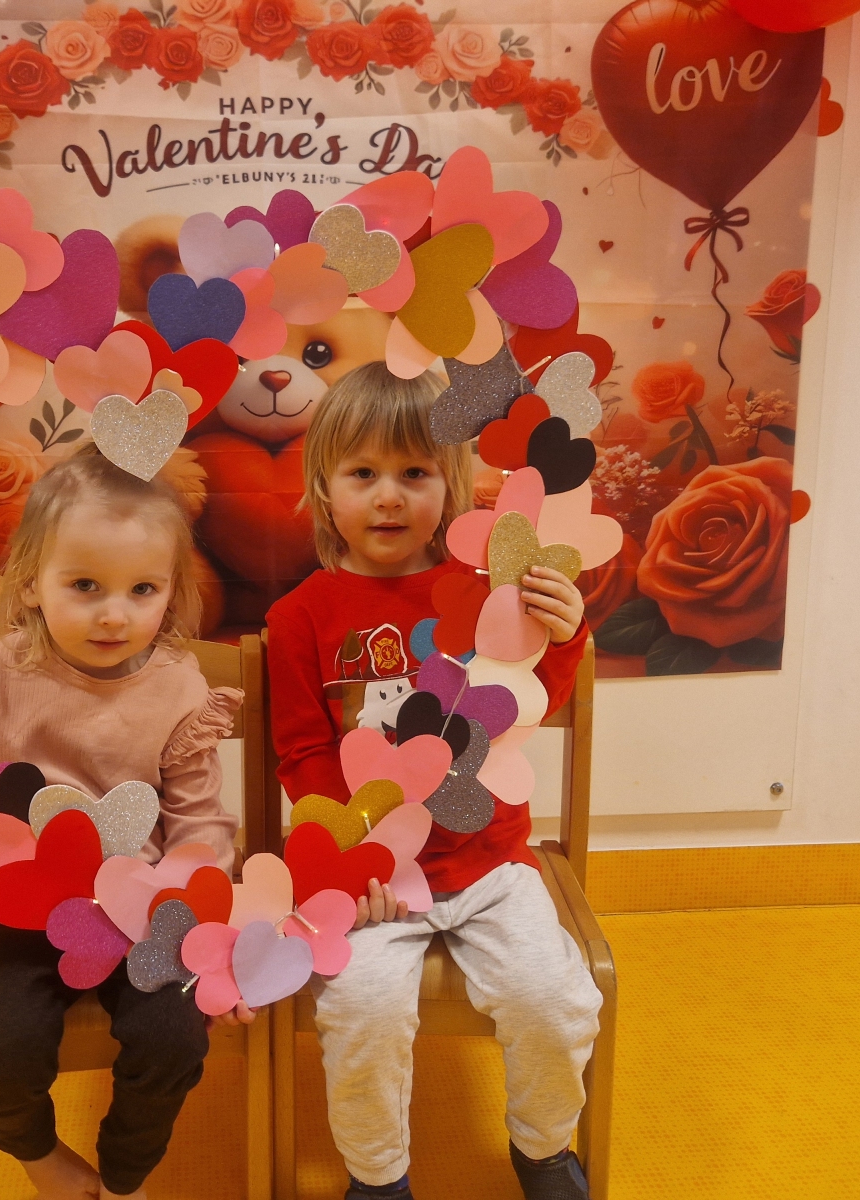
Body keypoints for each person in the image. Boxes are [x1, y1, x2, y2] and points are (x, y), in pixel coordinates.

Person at [266, 363, 603, 1200]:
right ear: (324, 488)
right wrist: (358, 857)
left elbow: (529, 701)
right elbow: (302, 756)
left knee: (555, 1001)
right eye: (363, 473)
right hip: (373, 881)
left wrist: (562, 635)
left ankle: (542, 1151)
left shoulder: (485, 592)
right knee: (363, 1014)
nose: (388, 497)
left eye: (414, 473)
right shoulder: (299, 616)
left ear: (450, 484)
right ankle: (378, 1179)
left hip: (492, 866)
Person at [0, 446, 251, 1200]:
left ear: (172, 590)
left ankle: (125, 1177)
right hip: (21, 913)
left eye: (143, 589)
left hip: (143, 914)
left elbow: (199, 825)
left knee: (172, 1039)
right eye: (85, 585)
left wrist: (209, 940)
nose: (114, 614)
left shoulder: (179, 688)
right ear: (31, 581)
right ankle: (45, 1165)